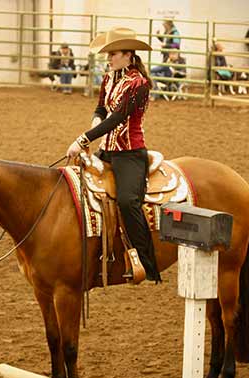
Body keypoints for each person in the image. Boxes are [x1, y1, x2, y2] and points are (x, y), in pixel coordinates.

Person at [66, 27, 161, 283]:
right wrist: (94, 120)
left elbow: (118, 118)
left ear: (129, 55)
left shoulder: (138, 84)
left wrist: (83, 138)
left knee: (128, 202)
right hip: (107, 150)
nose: (109, 59)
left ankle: (146, 262)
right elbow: (101, 109)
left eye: (114, 54)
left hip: (130, 154)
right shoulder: (109, 78)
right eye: (108, 54)